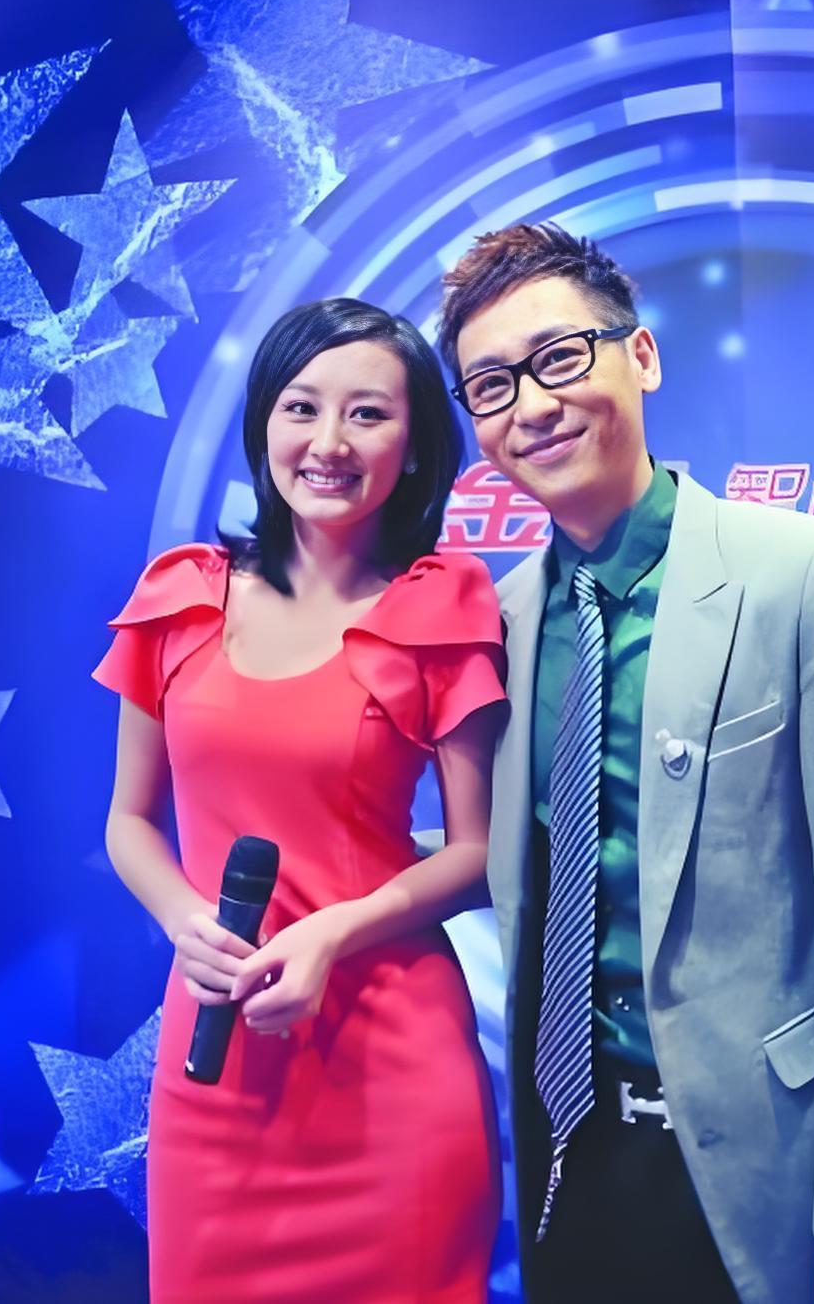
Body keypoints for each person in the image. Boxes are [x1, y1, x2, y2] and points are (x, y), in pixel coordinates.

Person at [437, 222, 814, 1304]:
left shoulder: (801, 571)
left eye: (560, 356)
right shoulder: (498, 624)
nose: (532, 404)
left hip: (764, 1177)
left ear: (641, 355)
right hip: (567, 1169)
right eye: (493, 385)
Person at [94, 297, 507, 1304]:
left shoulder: (441, 604)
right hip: (218, 1057)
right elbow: (129, 820)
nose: (328, 443)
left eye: (368, 414)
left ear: (415, 445)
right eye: (301, 407)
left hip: (393, 1065)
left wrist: (333, 932)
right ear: (263, 425)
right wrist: (184, 920)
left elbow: (478, 852)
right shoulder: (182, 594)